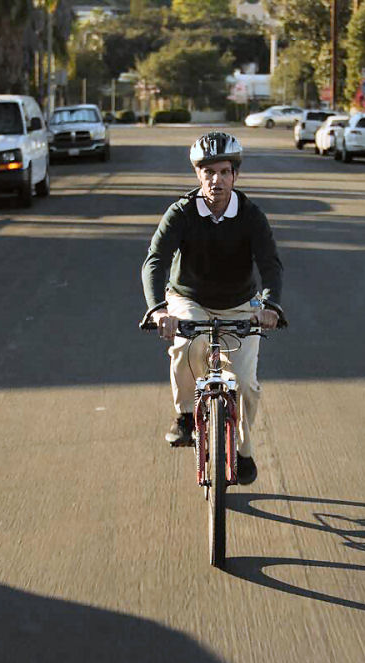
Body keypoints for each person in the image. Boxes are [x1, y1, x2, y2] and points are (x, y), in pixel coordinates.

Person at [141, 131, 285, 485]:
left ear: (235, 175)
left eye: (223, 172)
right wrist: (159, 310)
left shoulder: (251, 216)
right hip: (190, 298)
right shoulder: (181, 212)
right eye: (208, 172)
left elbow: (270, 265)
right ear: (197, 175)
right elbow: (154, 261)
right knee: (189, 344)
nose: (216, 180)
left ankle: (244, 451)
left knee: (247, 385)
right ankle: (187, 416)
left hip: (241, 305)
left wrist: (270, 307)